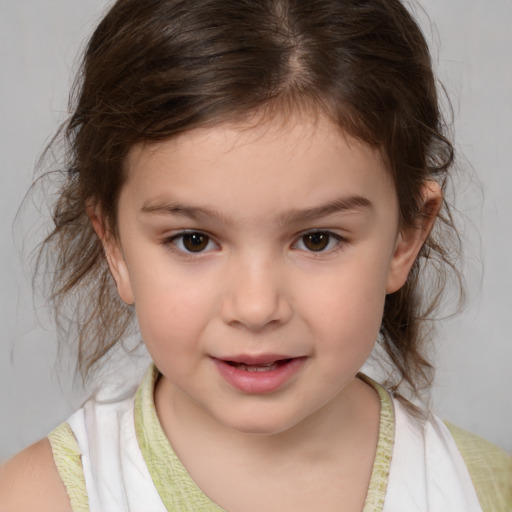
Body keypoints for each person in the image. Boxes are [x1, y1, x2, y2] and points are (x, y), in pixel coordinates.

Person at [0, 0, 510, 510]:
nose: (256, 307)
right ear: (114, 244)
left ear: (406, 236)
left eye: (317, 239)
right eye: (193, 240)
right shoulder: (41, 498)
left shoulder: (484, 491)